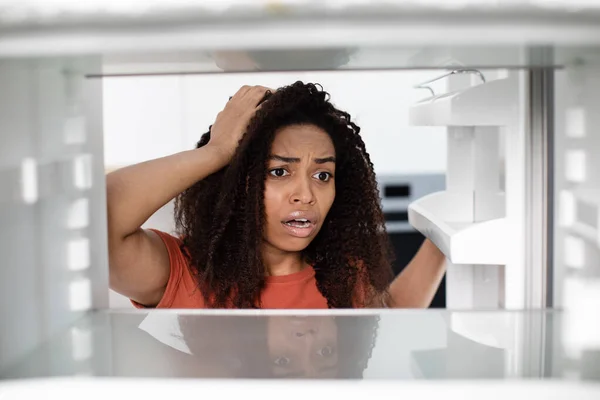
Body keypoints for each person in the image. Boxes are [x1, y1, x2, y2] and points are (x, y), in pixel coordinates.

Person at [107, 81, 445, 309]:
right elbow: (99, 219)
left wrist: (443, 236)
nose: (306, 194)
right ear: (237, 183)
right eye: (279, 171)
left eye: (322, 175)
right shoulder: (184, 272)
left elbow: (392, 317)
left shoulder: (343, 278)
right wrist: (218, 151)